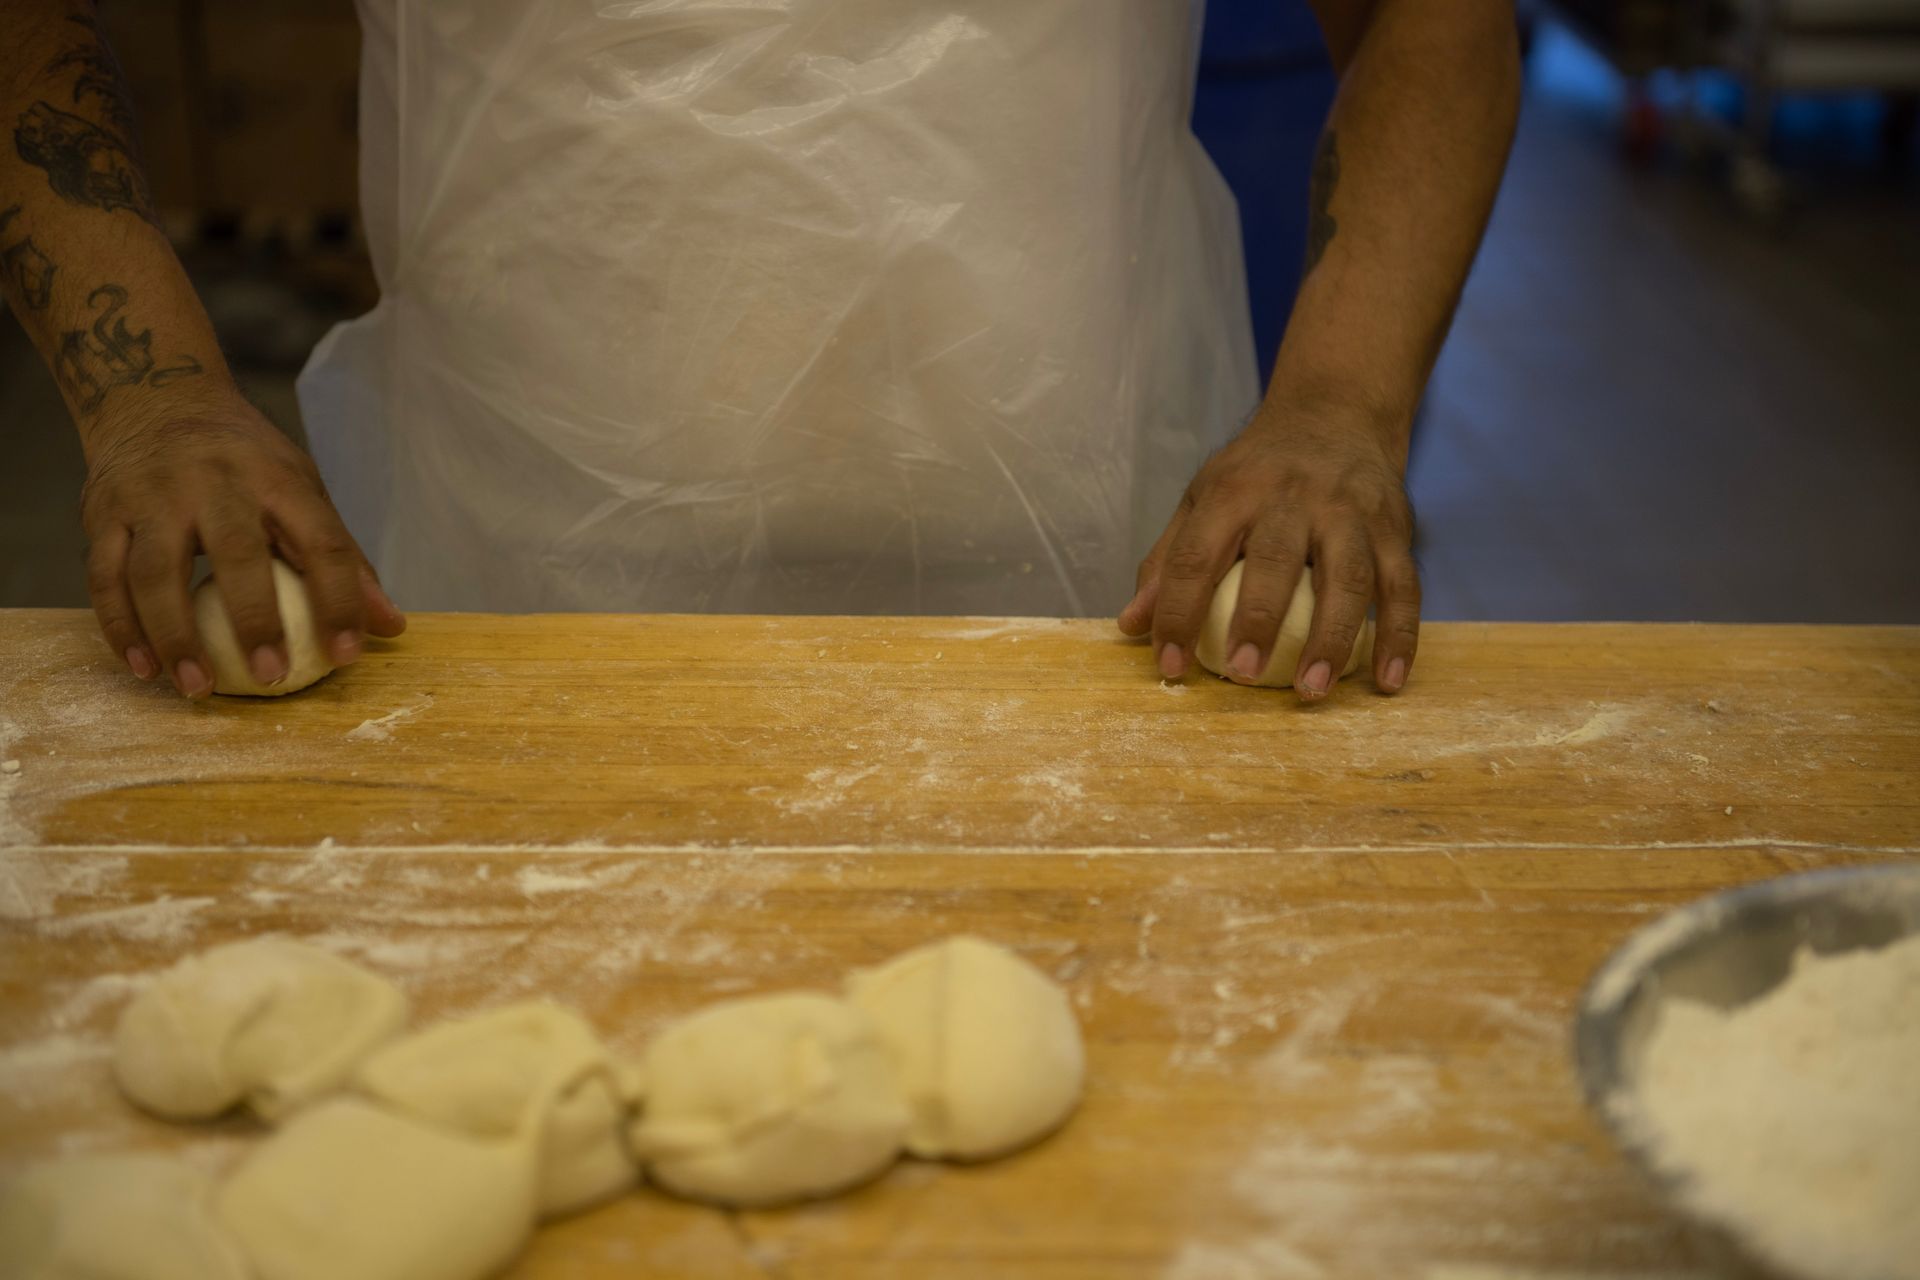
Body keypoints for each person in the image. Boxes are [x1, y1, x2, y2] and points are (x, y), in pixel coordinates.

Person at [1, 1, 1518, 702]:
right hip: (496, 629)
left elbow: (1434, 20)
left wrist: (1335, 401)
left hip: (1113, 616)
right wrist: (152, 392)